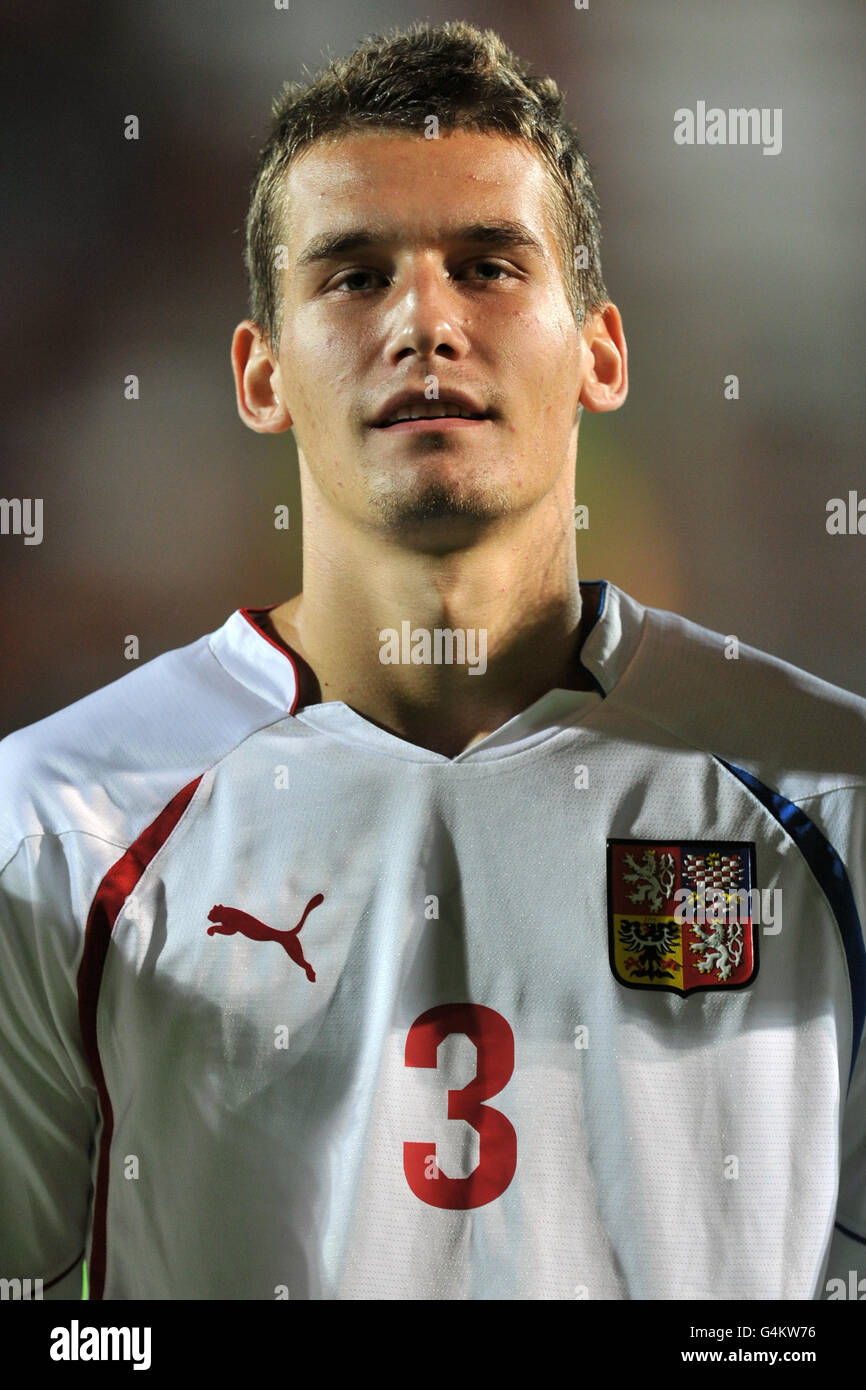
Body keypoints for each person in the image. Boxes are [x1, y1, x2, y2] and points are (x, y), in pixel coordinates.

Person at [1, 20, 863, 1302]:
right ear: (259, 375)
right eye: (351, 275)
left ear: (601, 353)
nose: (423, 321)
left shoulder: (834, 797)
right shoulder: (56, 819)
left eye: (488, 266)